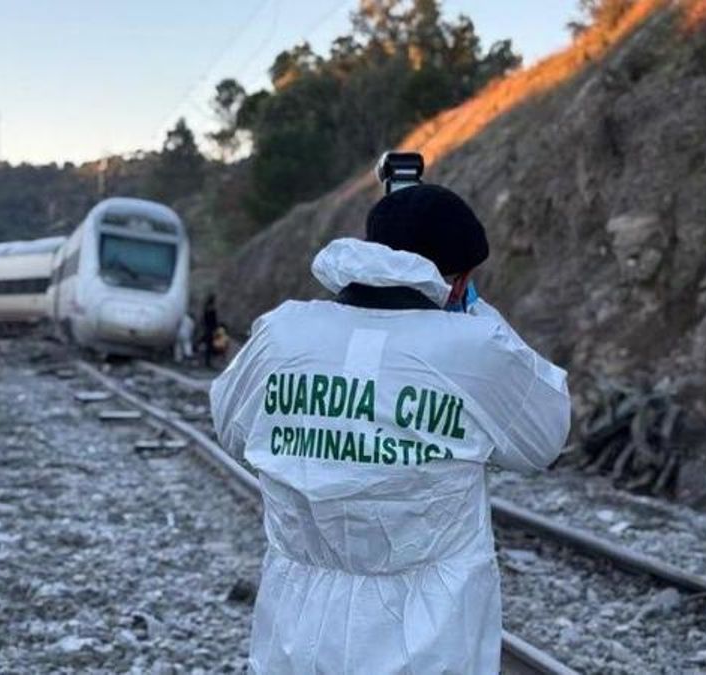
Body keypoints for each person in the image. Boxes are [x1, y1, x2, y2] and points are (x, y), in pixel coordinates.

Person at [210, 183, 571, 674]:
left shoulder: (282, 333)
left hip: (296, 633)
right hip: (429, 642)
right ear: (460, 282)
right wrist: (478, 316)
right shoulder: (476, 349)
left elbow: (232, 429)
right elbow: (544, 439)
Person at [201, 294, 219, 368]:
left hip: (207, 329)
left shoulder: (206, 309)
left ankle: (207, 362)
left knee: (208, 346)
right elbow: (214, 321)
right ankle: (208, 363)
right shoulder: (212, 310)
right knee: (209, 347)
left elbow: (203, 320)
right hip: (210, 330)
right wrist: (215, 329)